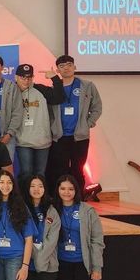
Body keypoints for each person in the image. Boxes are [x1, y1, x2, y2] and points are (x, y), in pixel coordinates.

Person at [48, 55, 102, 194]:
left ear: (74, 67)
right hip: (60, 137)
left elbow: (97, 107)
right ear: (58, 70)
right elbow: (49, 112)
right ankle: (61, 200)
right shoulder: (55, 88)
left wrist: (87, 123)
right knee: (60, 170)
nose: (66, 68)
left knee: (78, 169)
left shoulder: (87, 86)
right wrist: (52, 127)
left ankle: (78, 200)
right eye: (62, 66)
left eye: (69, 64)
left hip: (80, 136)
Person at [14, 64, 65, 179]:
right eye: (23, 77)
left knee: (40, 174)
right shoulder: (11, 92)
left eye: (29, 77)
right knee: (26, 173)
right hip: (23, 141)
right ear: (16, 77)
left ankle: (40, 197)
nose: (26, 81)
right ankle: (25, 197)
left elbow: (59, 97)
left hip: (43, 142)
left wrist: (55, 78)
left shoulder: (40, 89)